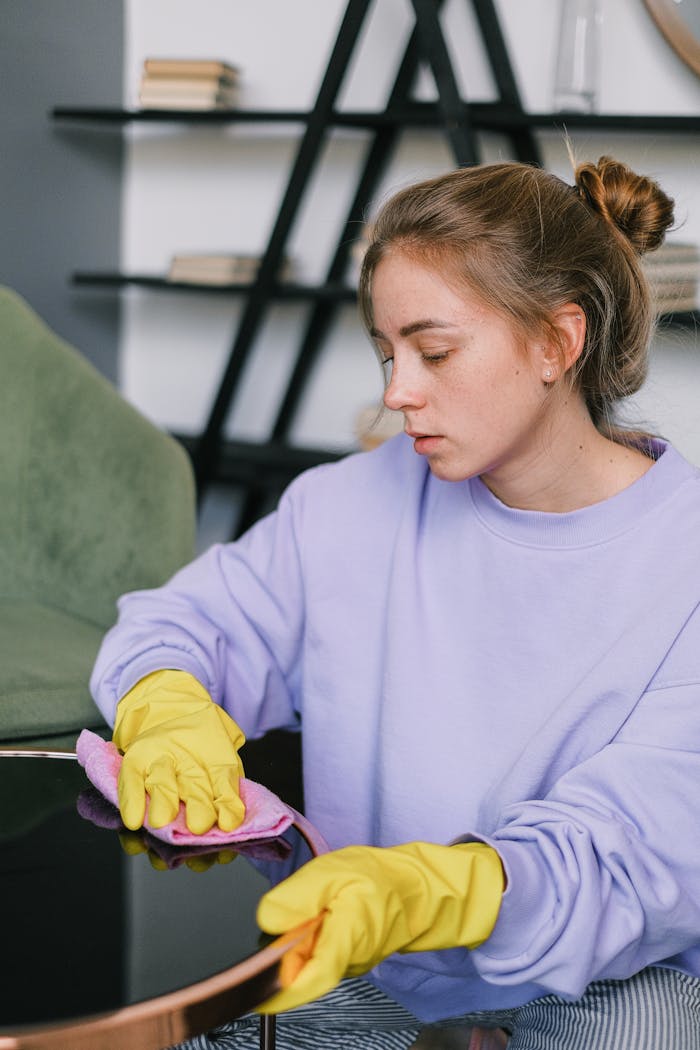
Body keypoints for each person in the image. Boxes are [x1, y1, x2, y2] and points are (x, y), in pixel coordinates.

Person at [90, 154, 700, 1050]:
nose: (395, 393)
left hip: (597, 973)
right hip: (367, 960)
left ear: (557, 342)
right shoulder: (348, 504)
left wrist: (433, 891)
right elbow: (184, 624)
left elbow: (635, 853)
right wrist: (166, 700)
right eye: (386, 353)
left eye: (435, 350)